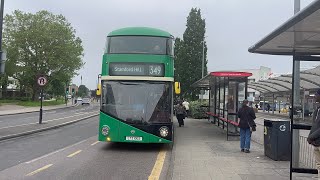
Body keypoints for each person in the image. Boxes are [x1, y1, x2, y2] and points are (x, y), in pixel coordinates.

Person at [307, 89, 320, 179]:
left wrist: (311, 136)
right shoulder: (317, 109)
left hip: (317, 140)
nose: (314, 96)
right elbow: (314, 125)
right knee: (318, 165)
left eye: (316, 94)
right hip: (316, 142)